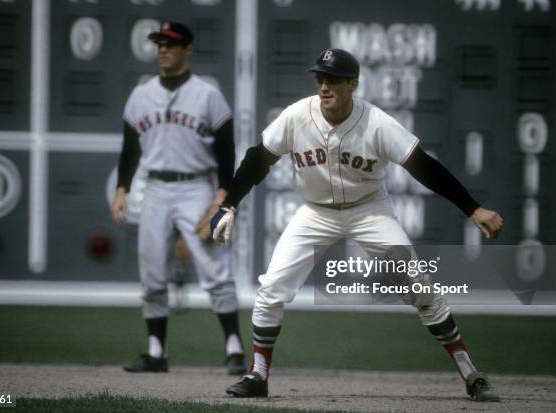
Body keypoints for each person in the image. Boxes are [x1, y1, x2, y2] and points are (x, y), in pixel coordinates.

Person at [211, 48, 504, 400]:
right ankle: (257, 376)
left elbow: (424, 168)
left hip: (369, 210)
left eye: (333, 79)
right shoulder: (296, 116)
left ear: (354, 84)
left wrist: (471, 209)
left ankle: (471, 373)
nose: (324, 86)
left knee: (420, 286)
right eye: (320, 78)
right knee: (271, 288)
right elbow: (257, 159)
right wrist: (229, 204)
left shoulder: (376, 123)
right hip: (316, 211)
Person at [111, 21, 246, 375]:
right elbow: (129, 147)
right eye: (159, 43)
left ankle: (234, 347)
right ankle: (157, 352)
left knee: (215, 267)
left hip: (198, 188)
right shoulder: (141, 94)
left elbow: (226, 148)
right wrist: (122, 189)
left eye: (171, 43)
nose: (163, 49)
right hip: (155, 188)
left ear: (187, 49)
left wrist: (222, 194)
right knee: (152, 271)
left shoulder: (208, 94)